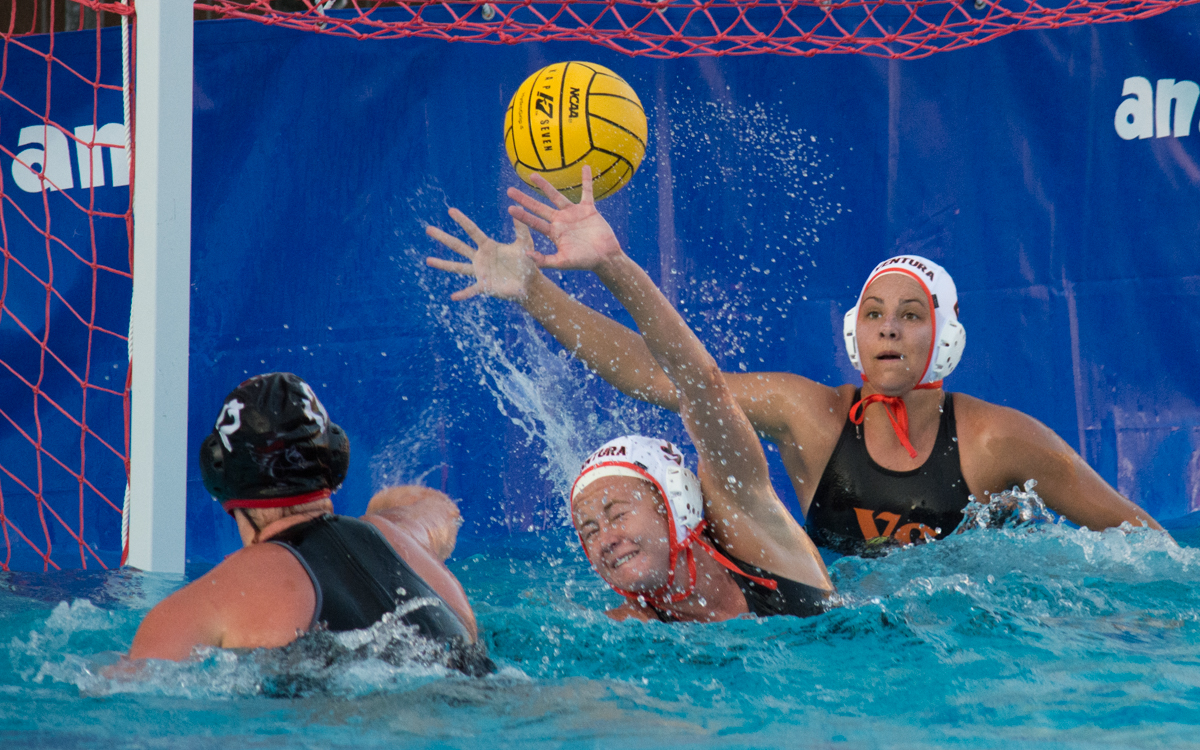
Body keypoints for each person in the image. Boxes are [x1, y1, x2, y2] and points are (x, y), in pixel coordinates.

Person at [426, 176, 1163, 558]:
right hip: (831, 627)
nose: (889, 331)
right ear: (852, 333)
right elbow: (658, 377)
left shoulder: (1003, 442)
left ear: (944, 341)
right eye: (874, 315)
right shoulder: (806, 413)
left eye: (911, 317)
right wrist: (533, 289)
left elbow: (1140, 542)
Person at [440, 169, 834, 622]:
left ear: (677, 505)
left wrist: (611, 264)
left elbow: (698, 383)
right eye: (588, 529)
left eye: (616, 513)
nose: (605, 538)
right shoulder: (623, 627)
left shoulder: (753, 532)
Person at [127, 372, 489, 673]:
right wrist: (381, 508)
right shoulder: (404, 533)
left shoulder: (209, 601)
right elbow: (438, 506)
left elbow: (125, 694)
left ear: (219, 474)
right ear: (334, 458)